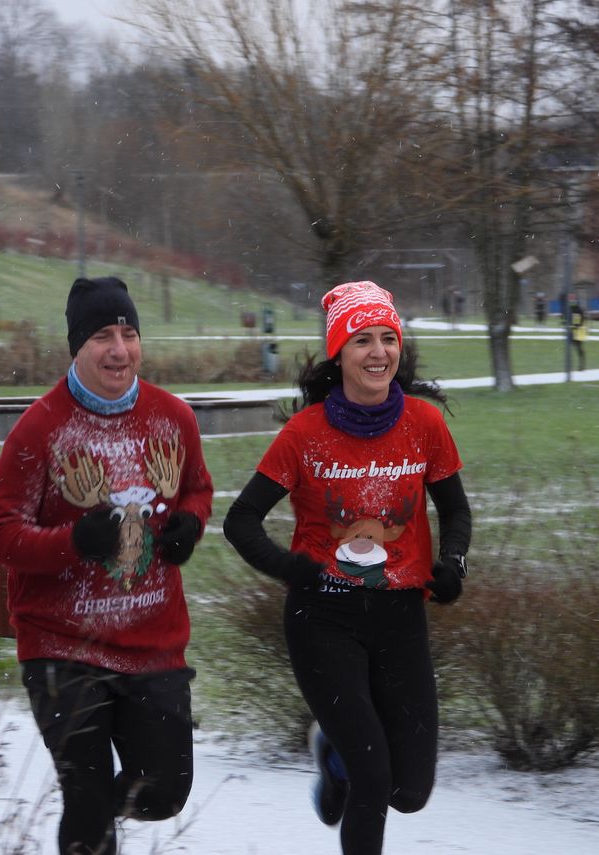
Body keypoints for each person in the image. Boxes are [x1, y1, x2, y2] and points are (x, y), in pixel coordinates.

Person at [223, 280, 472, 855]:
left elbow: (455, 508)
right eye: (362, 340)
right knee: (373, 779)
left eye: (388, 338)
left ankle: (330, 756)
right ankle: (348, 762)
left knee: (409, 792)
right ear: (339, 353)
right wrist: (294, 570)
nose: (379, 352)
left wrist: (453, 563)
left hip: (400, 615)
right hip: (323, 619)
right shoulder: (304, 434)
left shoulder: (424, 425)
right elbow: (241, 521)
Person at [0, 276, 214, 855]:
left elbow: (197, 489)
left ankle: (89, 821)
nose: (118, 349)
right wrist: (74, 541)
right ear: (77, 347)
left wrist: (190, 522)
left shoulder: (172, 418)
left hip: (153, 640)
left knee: (163, 792)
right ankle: (88, 823)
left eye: (129, 333)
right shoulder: (41, 429)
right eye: (102, 336)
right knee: (85, 792)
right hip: (63, 643)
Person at [568, 293, 588, 370]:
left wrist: (576, 327)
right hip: (577, 329)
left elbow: (578, 321)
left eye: (572, 300)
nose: (571, 302)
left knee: (578, 348)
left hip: (579, 330)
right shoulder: (572, 309)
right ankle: (580, 365)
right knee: (577, 348)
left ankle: (581, 365)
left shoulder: (576, 309)